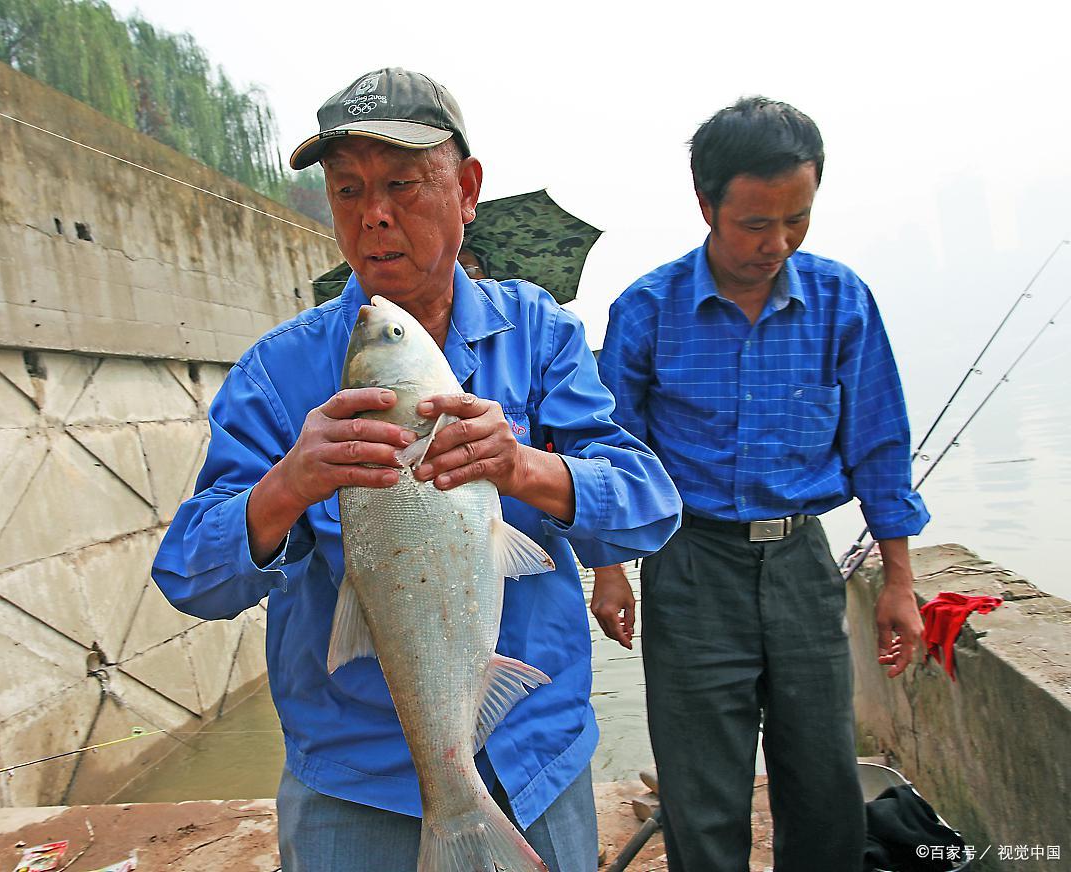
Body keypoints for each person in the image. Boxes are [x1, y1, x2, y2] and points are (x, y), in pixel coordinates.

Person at [152, 67, 681, 872]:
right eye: (347, 190)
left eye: (402, 184)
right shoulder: (278, 372)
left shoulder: (539, 335)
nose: (375, 217)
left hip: (539, 763)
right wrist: (286, 487)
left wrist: (522, 466)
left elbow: (649, 506)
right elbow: (190, 574)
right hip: (353, 788)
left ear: (467, 190)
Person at [593, 96, 930, 872]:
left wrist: (900, 580)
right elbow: (614, 458)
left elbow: (881, 443)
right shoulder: (646, 312)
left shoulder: (842, 302)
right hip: (689, 566)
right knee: (701, 789)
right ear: (705, 203)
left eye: (797, 220)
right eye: (754, 223)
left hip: (804, 567)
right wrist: (610, 569)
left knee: (823, 779)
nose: (777, 243)